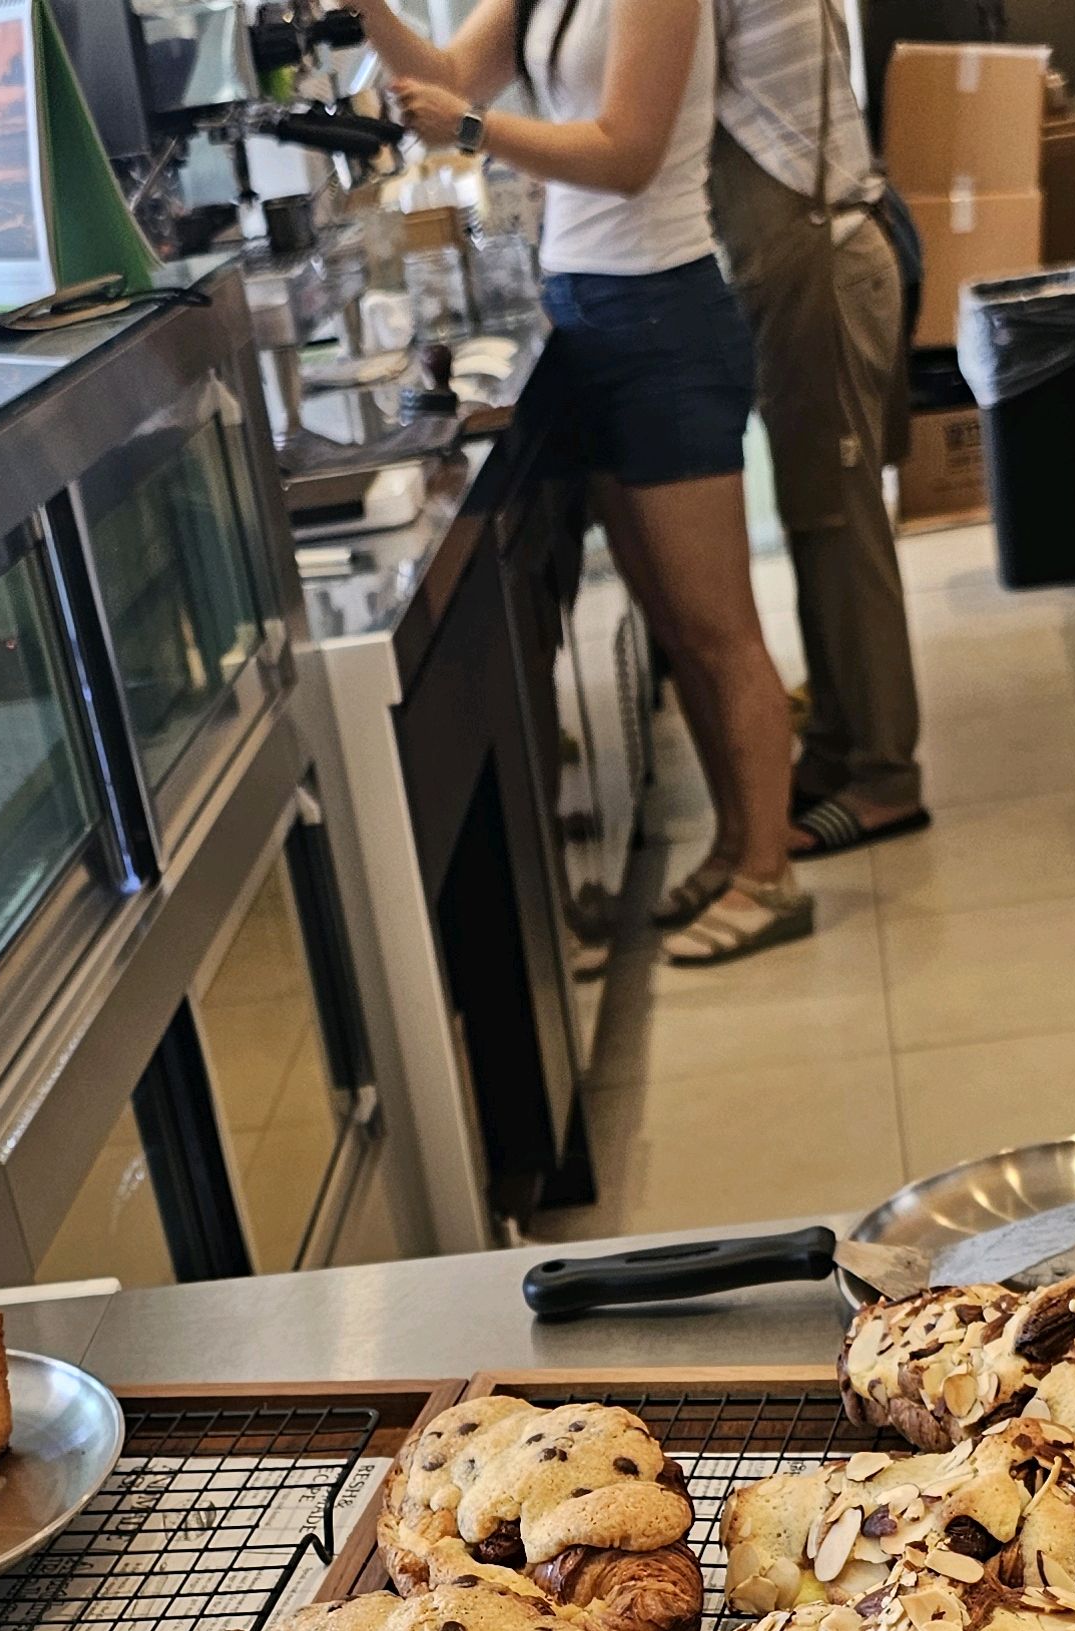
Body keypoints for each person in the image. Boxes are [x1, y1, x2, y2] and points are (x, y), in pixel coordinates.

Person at [358, 0, 813, 963]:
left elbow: (626, 153)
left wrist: (473, 132)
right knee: (674, 623)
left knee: (720, 628)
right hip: (585, 313)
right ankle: (736, 842)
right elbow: (446, 73)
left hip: (662, 316)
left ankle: (772, 876)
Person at [707, 0, 926, 858]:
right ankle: (838, 745)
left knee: (845, 530)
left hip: (822, 265)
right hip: (806, 266)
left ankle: (885, 779)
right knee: (816, 521)